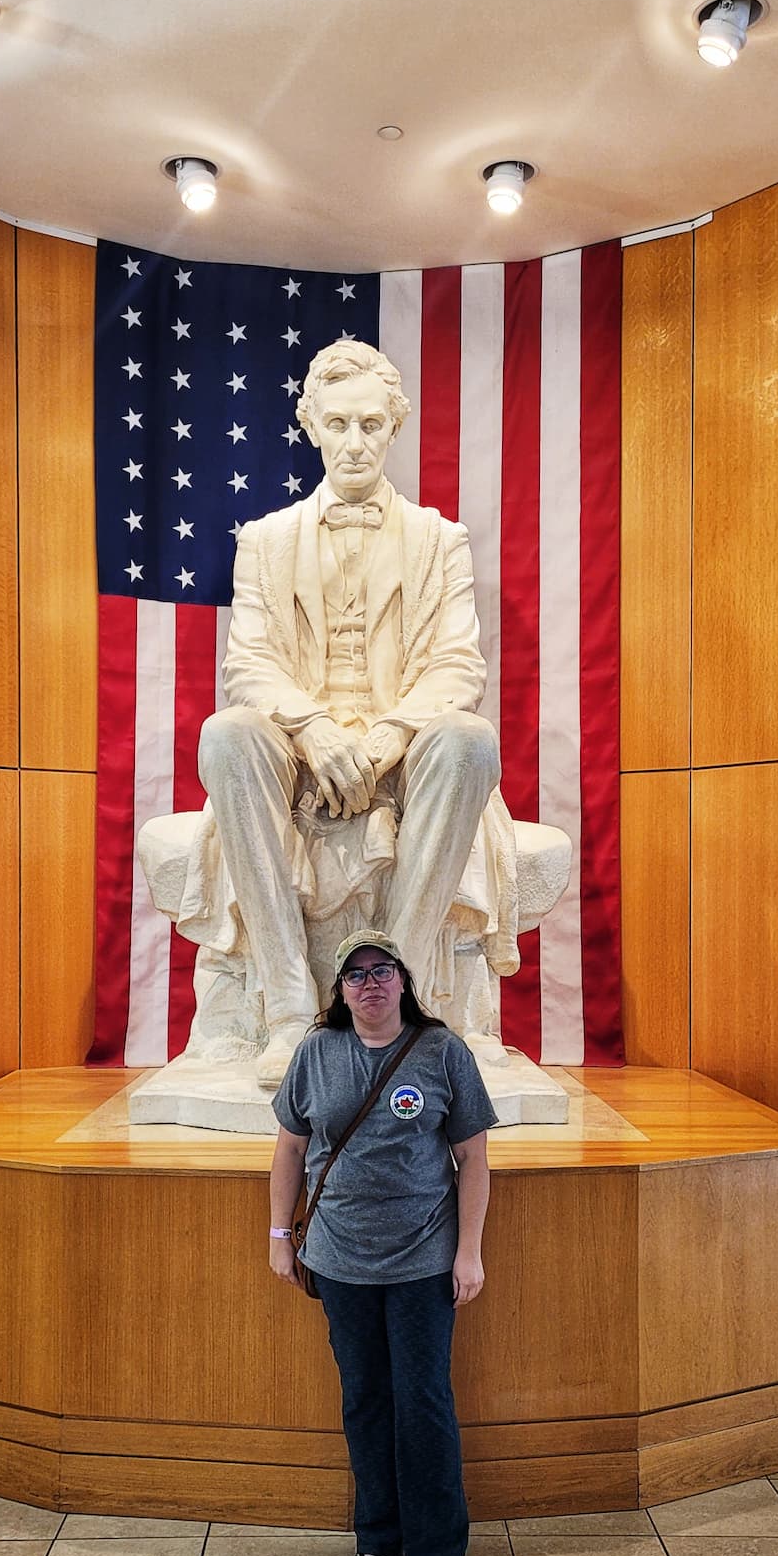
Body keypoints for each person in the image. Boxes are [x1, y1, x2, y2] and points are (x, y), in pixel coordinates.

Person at [190, 339, 519, 1086]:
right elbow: (248, 662)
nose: (354, 442)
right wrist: (310, 727)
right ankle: (283, 1006)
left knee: (469, 739)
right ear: (310, 425)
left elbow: (457, 663)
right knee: (227, 733)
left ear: (393, 428)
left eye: (371, 424)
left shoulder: (441, 540)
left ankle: (387, 1003)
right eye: (338, 424)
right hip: (302, 754)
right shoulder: (266, 541)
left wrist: (388, 733)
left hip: (402, 756)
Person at [268, 928, 497, 1556]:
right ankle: (377, 1542)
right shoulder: (316, 1052)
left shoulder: (441, 1052)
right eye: (355, 974)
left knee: (423, 1402)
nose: (370, 982)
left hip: (423, 1260)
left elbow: (474, 1160)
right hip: (339, 1260)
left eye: (382, 970)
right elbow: (287, 1150)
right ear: (339, 991)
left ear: (403, 980)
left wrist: (468, 1250)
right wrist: (281, 1235)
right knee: (364, 1398)